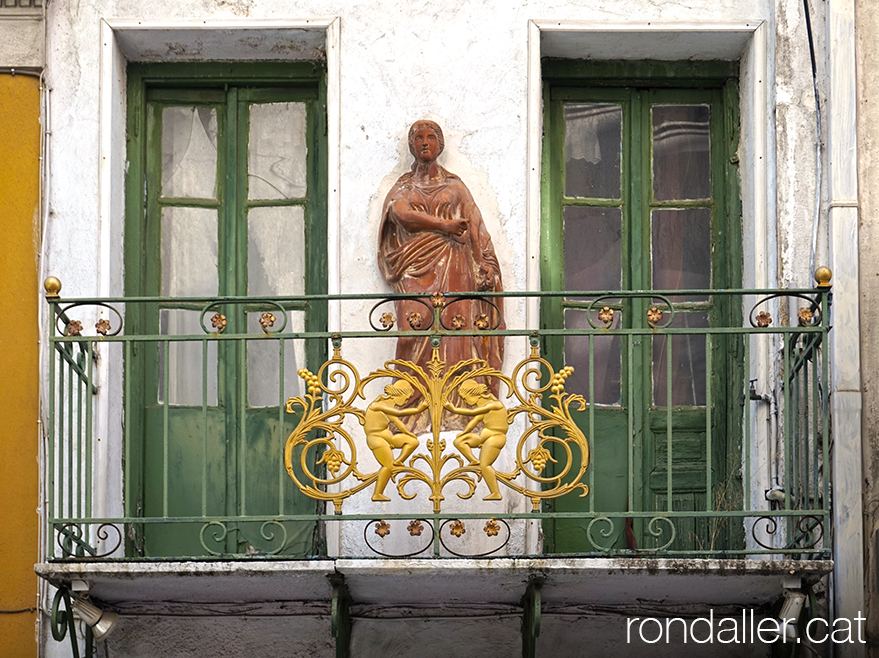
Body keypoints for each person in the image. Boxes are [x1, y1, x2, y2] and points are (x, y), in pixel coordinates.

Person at [378, 120, 505, 431]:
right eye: (418, 138)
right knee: (413, 327)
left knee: (456, 329)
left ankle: (459, 404)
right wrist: (445, 226)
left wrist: (484, 261)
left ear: (440, 145)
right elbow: (400, 214)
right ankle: (412, 404)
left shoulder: (456, 186)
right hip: (413, 268)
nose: (424, 142)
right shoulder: (403, 187)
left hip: (456, 266)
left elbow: (474, 225)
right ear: (411, 145)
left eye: (431, 137)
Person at [444, 379, 508, 501]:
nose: (466, 401)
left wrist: (453, 409)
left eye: (466, 397)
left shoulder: (494, 404)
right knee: (459, 442)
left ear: (474, 394)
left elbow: (472, 413)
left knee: (485, 465)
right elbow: (474, 422)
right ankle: (474, 461)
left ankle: (495, 492)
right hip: (484, 435)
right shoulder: (484, 406)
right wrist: (464, 433)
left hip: (495, 437)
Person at [363, 381, 427, 501]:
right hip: (376, 439)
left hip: (387, 437)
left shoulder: (389, 406)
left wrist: (409, 434)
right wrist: (419, 409)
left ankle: (398, 462)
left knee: (413, 442)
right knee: (387, 466)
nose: (406, 401)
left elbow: (397, 422)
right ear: (398, 393)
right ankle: (378, 493)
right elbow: (399, 413)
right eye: (406, 398)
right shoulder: (378, 405)